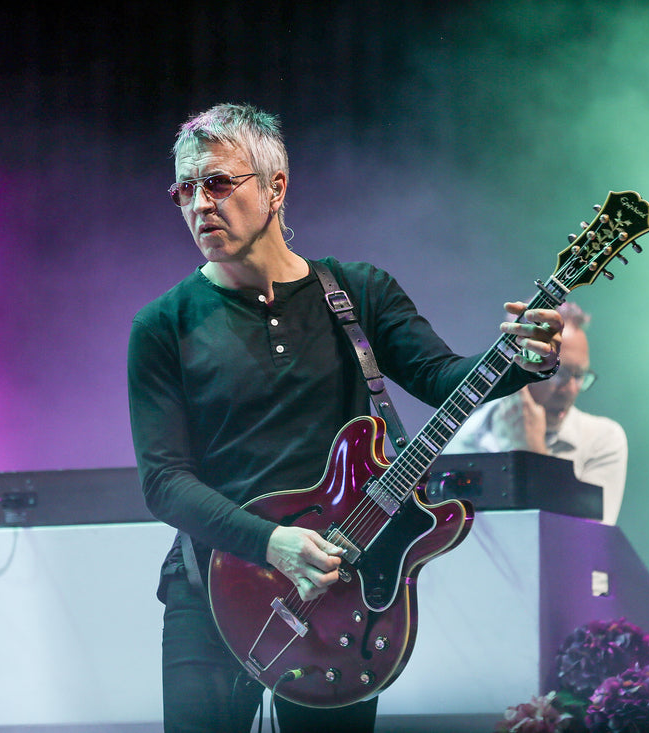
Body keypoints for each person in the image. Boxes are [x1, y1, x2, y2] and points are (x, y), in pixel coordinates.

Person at [127, 102, 563, 733]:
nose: (200, 204)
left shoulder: (358, 292)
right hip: (214, 587)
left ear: (276, 186)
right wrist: (272, 543)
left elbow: (442, 378)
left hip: (342, 590)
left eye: (219, 182)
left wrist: (522, 361)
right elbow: (164, 481)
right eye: (185, 188)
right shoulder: (162, 324)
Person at [444, 302, 628, 525]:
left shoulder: (602, 439)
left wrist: (531, 452)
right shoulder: (463, 435)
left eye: (580, 376)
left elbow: (583, 545)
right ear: (517, 363)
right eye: (559, 372)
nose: (571, 390)